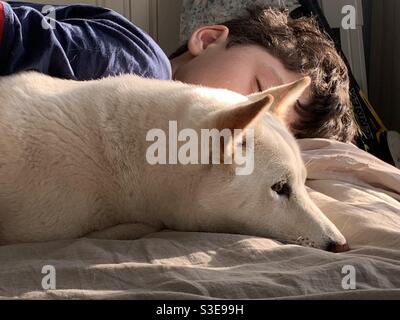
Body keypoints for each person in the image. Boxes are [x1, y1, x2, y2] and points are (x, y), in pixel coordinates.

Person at [0, 2, 357, 143]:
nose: (245, 120)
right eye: (260, 90)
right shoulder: (142, 66)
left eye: (266, 131)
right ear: (209, 39)